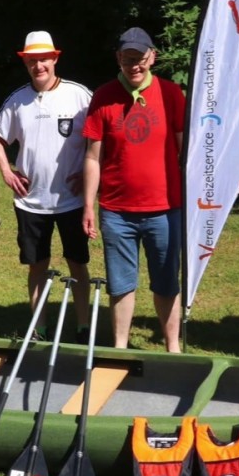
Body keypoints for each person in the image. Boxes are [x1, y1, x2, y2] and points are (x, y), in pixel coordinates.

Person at [82, 27, 186, 352]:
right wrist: (88, 205)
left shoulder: (171, 94)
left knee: (167, 282)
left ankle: (173, 348)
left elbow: (186, 154)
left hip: (165, 209)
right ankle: (120, 348)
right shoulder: (104, 96)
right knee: (121, 283)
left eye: (140, 59)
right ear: (119, 59)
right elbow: (92, 157)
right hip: (116, 211)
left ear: (152, 56)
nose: (134, 66)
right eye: (128, 60)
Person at [0, 31, 93, 341]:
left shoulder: (79, 95)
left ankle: (84, 325)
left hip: (71, 200)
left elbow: (99, 137)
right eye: (32, 61)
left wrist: (87, 174)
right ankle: (39, 326)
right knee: (37, 265)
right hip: (31, 200)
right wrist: (6, 170)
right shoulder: (18, 100)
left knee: (78, 263)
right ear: (25, 63)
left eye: (43, 59)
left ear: (55, 58)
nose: (39, 66)